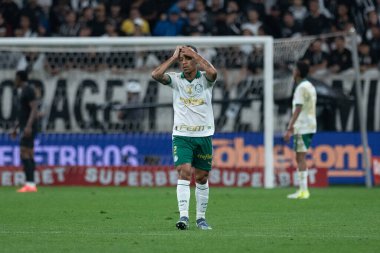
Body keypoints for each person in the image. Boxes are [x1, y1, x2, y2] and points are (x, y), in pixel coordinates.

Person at [151, 45, 217, 230]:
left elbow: (213, 72)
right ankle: (183, 217)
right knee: (184, 171)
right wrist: (173, 58)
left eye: (187, 59)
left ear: (195, 60)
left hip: (204, 135)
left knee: (202, 177)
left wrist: (194, 54)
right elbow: (155, 75)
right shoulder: (175, 79)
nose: (184, 63)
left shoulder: (205, 80)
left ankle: (201, 218)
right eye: (182, 60)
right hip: (182, 135)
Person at [284, 61, 317, 199]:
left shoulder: (300, 88)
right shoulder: (310, 86)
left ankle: (304, 190)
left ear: (297, 72)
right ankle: (303, 189)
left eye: (294, 69)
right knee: (300, 156)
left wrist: (289, 127)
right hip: (310, 125)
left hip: (302, 126)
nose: (293, 72)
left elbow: (298, 108)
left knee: (300, 157)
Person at [11, 70, 39, 193]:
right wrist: (16, 128)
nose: (14, 80)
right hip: (24, 126)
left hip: (29, 127)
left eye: (16, 78)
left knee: (24, 152)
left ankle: (30, 184)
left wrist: (28, 126)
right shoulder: (23, 91)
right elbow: (24, 112)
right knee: (29, 153)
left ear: (20, 78)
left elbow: (34, 109)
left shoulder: (28, 90)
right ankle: (31, 183)